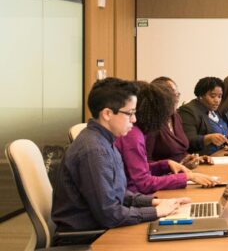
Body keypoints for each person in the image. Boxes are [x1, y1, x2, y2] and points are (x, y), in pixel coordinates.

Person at [52, 78, 189, 231]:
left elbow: (118, 193)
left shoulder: (105, 140)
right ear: (107, 114)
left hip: (102, 227)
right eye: (130, 113)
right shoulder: (94, 151)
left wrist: (154, 202)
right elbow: (110, 214)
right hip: (89, 237)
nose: (134, 119)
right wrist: (156, 211)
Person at [115, 81, 216, 193]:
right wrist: (188, 177)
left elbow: (140, 169)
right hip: (137, 198)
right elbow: (143, 182)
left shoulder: (137, 132)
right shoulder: (133, 135)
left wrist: (165, 164)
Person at [145, 76, 211, 169]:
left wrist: (193, 158)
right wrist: (176, 167)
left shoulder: (175, 117)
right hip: (165, 178)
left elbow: (180, 151)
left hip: (183, 173)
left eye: (177, 95)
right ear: (159, 97)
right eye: (172, 95)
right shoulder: (151, 122)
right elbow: (145, 163)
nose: (176, 99)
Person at [178, 76, 228, 155]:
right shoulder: (188, 111)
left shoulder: (215, 110)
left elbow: (223, 134)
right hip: (202, 159)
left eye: (220, 96)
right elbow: (188, 140)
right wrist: (207, 138)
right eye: (212, 96)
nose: (217, 100)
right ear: (200, 96)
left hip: (220, 155)